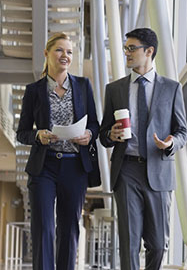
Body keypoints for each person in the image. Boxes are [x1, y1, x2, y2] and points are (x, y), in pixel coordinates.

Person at [99, 28, 187, 270]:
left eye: (131, 48)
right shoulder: (115, 89)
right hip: (126, 170)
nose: (126, 53)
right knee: (128, 245)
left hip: (158, 172)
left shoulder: (171, 88)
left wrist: (170, 143)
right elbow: (103, 134)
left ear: (149, 51)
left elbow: (183, 132)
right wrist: (111, 134)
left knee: (158, 244)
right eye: (125, 48)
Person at [16, 33, 99, 270]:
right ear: (47, 53)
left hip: (74, 166)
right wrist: (38, 135)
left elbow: (94, 123)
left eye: (70, 52)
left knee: (69, 227)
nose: (65, 56)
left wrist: (89, 135)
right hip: (44, 167)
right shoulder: (34, 90)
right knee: (43, 227)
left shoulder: (83, 86)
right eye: (60, 50)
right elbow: (22, 132)